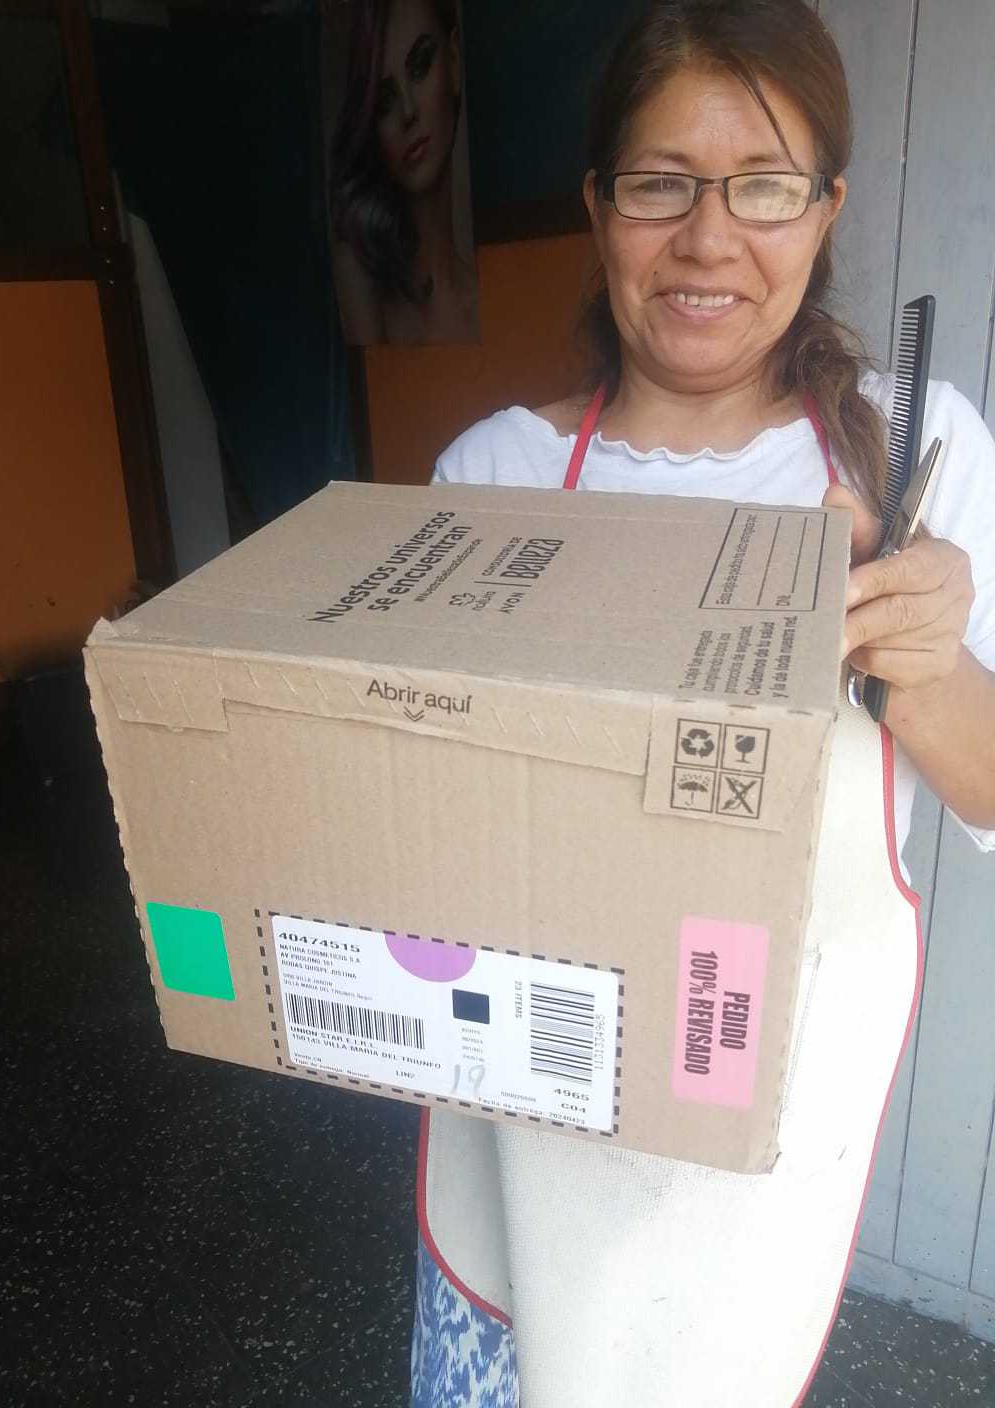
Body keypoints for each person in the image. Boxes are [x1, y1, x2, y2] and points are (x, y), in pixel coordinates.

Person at [412, 3, 995, 1405]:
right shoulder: (491, 475)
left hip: (750, 1140)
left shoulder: (914, 457)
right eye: (661, 184)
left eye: (766, 187)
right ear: (599, 207)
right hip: (521, 1100)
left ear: (826, 208)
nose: (709, 239)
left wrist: (925, 666)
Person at [328, 0, 478, 345]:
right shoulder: (357, 276)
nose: (407, 111)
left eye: (420, 66)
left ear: (454, 62)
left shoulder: (480, 297)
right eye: (384, 100)